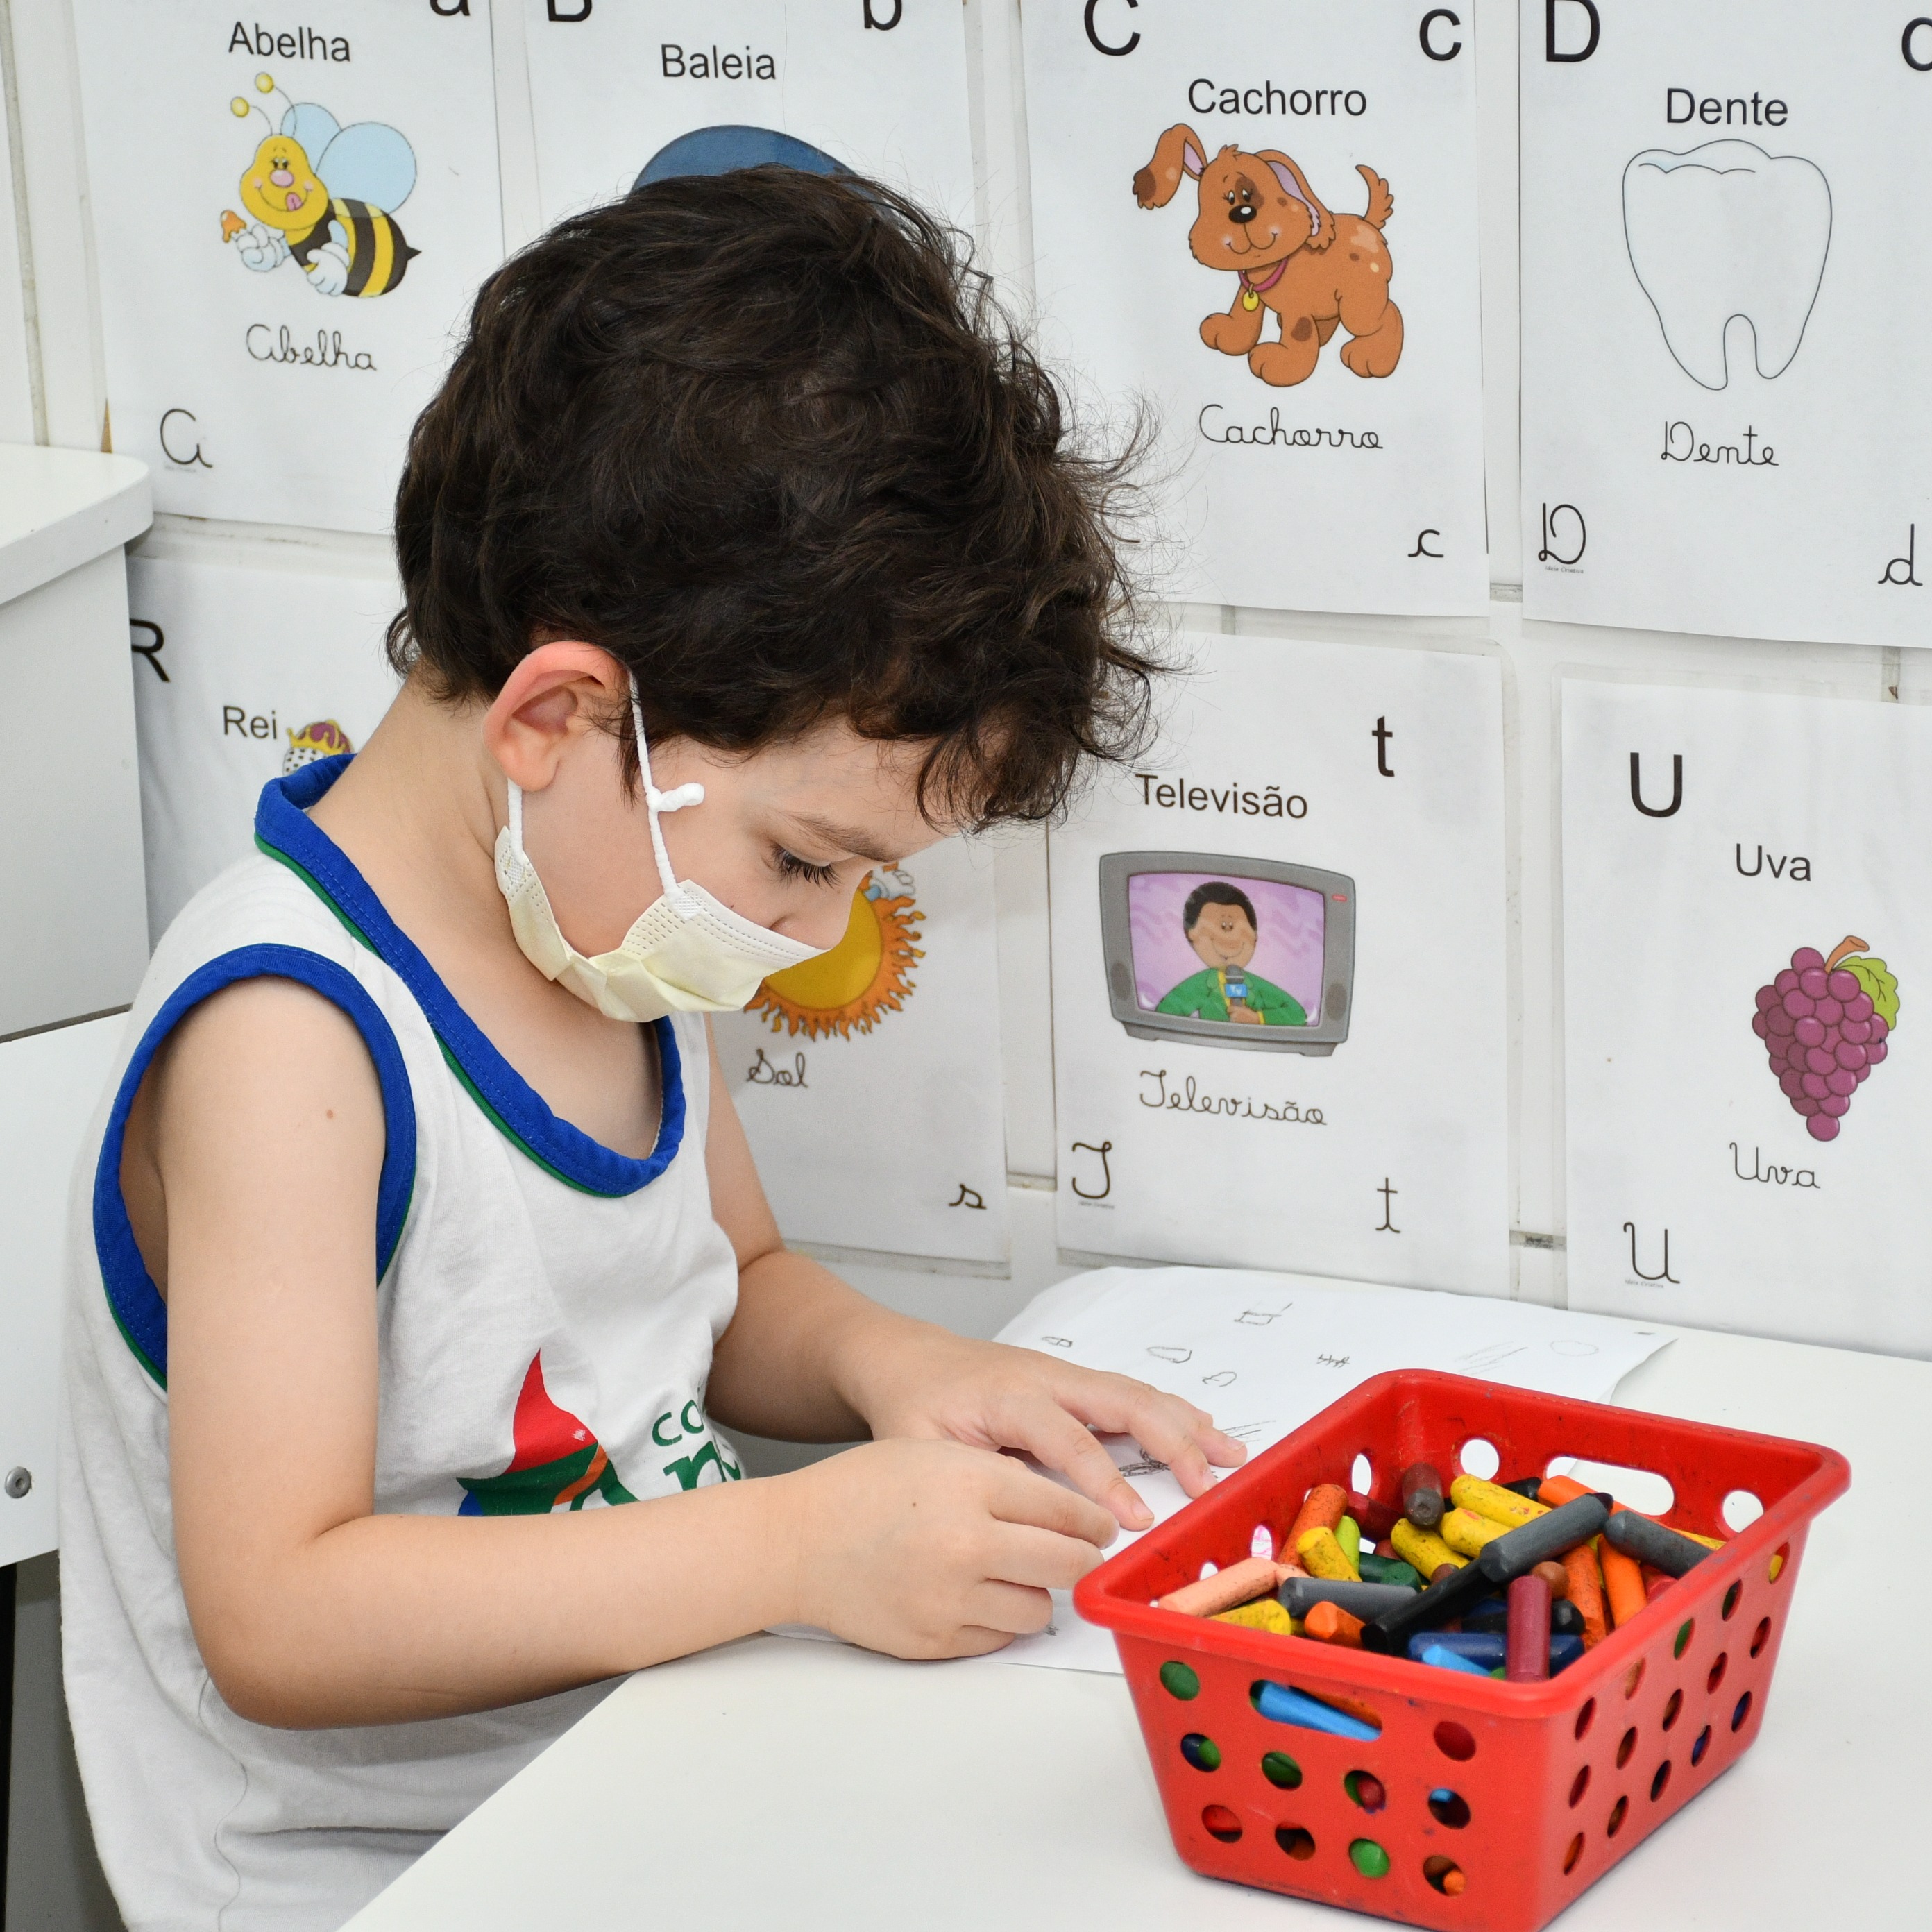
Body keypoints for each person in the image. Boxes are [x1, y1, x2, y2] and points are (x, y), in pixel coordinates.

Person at [60, 171, 1245, 1931]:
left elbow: (726, 1277)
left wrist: (895, 1370)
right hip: (387, 1877)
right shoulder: (288, 1040)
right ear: (557, 715)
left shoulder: (615, 907)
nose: (812, 930)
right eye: (801, 859)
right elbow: (279, 1614)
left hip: (663, 1771)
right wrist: (799, 1541)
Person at [1155, 881, 1308, 1026]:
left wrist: (1258, 1018)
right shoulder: (1201, 985)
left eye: (1233, 926)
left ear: (1254, 935)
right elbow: (1164, 1014)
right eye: (1223, 926)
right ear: (1192, 934)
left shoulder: (1256, 986)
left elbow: (1298, 1015)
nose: (1230, 939)